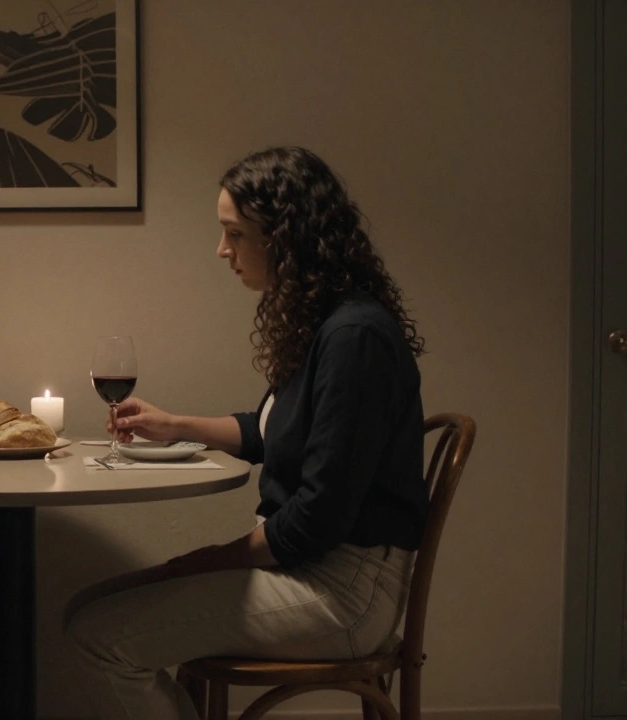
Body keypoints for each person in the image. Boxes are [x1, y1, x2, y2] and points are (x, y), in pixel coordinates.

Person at [64, 146, 428, 720]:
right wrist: (170, 425)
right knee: (87, 607)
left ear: (286, 236)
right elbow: (266, 434)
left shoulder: (354, 337)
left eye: (235, 233)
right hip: (312, 569)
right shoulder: (324, 323)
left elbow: (318, 518)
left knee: (97, 635)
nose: (222, 250)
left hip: (344, 592)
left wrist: (210, 560)